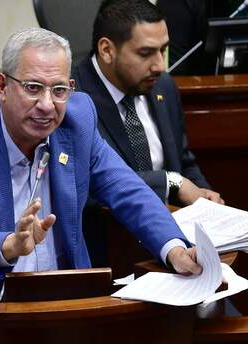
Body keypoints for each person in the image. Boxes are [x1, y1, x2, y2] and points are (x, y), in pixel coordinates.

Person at [0, 27, 200, 302]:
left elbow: (127, 190)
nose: (47, 105)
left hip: (62, 301)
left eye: (59, 90)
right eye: (33, 88)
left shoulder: (77, 121)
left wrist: (174, 248)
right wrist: (8, 245)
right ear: (2, 86)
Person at [73, 0, 223, 266]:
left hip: (179, 244)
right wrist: (170, 182)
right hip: (112, 254)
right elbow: (86, 184)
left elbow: (183, 161)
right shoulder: (72, 99)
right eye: (146, 53)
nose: (160, 66)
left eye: (163, 50)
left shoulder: (162, 85)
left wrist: (206, 199)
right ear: (107, 50)